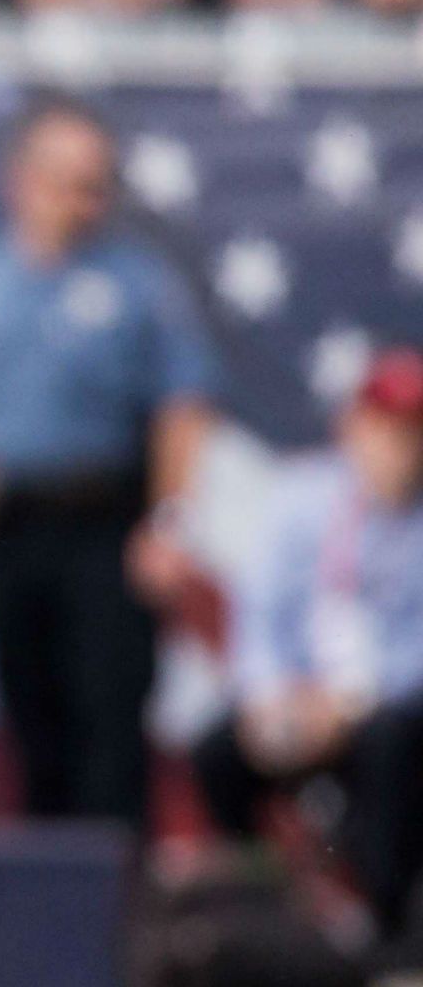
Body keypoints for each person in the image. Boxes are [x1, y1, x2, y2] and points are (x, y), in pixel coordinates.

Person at [0, 97, 218, 828]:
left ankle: (117, 903)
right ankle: (53, 901)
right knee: (30, 714)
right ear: (23, 180)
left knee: (110, 715)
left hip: (108, 522)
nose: (89, 201)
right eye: (73, 181)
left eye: (98, 182)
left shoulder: (139, 282)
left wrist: (168, 521)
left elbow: (182, 406)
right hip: (12, 528)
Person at [191, 348, 423, 942]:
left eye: (413, 432)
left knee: (392, 741)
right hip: (301, 698)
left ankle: (382, 919)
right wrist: (270, 699)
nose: (399, 446)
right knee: (215, 750)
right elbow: (259, 616)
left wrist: (348, 707)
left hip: (387, 708)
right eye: (387, 428)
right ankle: (261, 903)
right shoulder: (302, 498)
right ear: (353, 426)